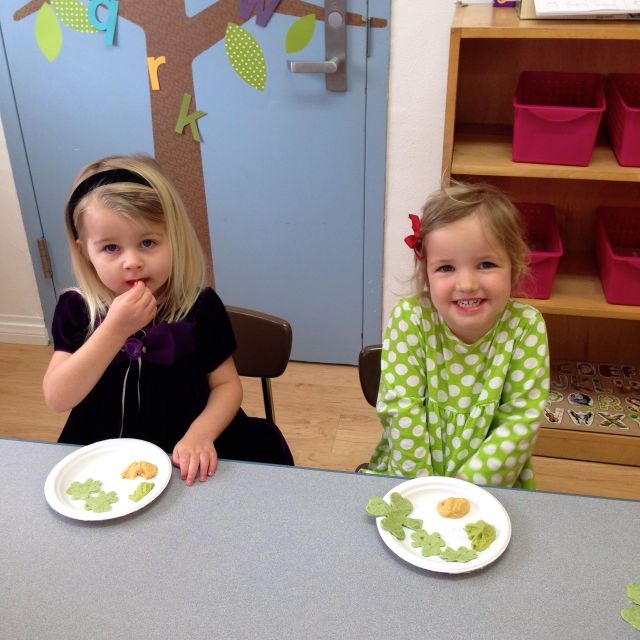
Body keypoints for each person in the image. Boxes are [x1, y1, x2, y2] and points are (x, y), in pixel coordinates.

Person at [43, 154, 293, 485]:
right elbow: (58, 397)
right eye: (111, 248)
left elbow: (227, 385)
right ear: (84, 250)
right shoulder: (77, 308)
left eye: (148, 242)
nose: (132, 262)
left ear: (173, 238)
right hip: (107, 452)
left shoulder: (199, 306)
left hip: (188, 448)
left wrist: (200, 434)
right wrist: (114, 329)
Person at [365, 181, 549, 489]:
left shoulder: (526, 327)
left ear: (514, 268)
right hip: (408, 473)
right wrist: (425, 488)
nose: (466, 284)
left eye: (486, 264)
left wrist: (463, 489)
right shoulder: (411, 318)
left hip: (491, 483)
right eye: (446, 268)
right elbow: (401, 409)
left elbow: (520, 421)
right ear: (426, 274)